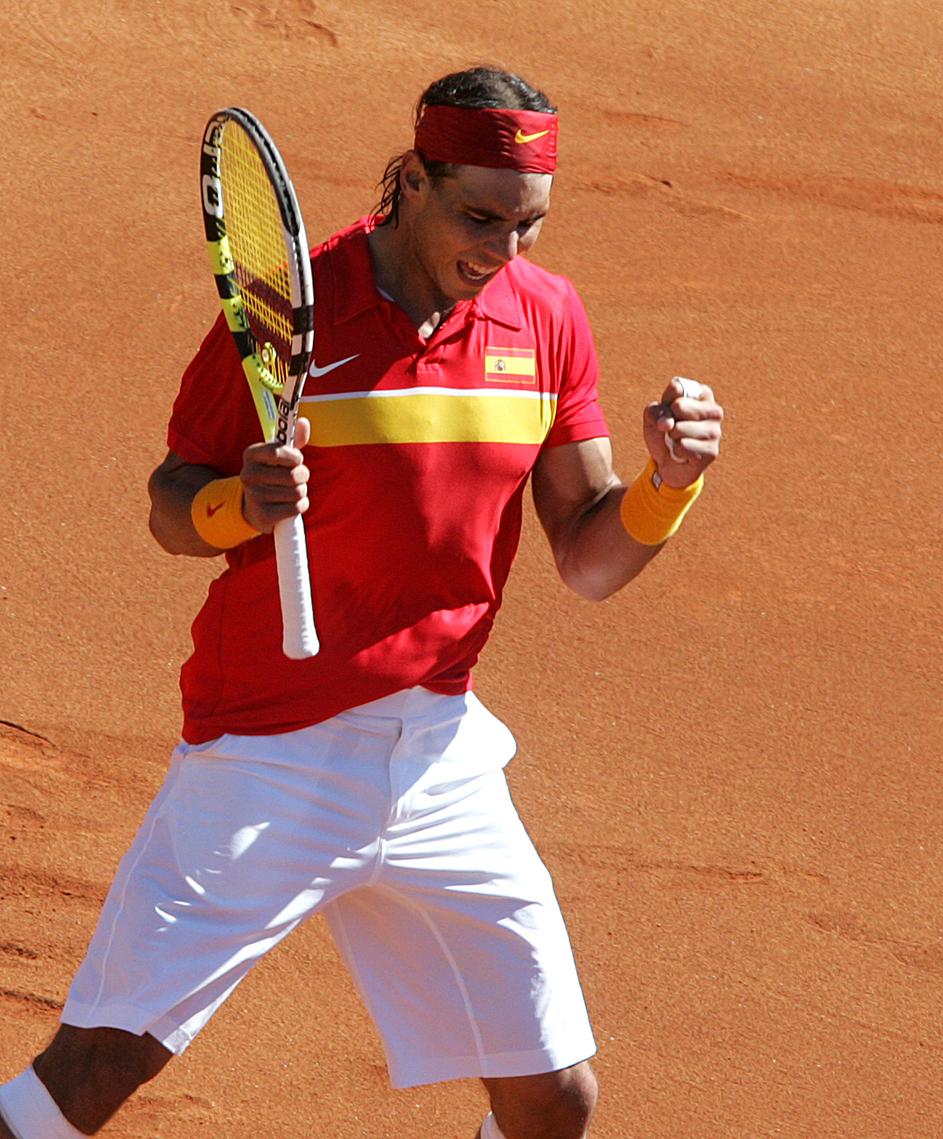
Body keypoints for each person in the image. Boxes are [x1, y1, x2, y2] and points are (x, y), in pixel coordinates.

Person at [0, 66, 722, 1139]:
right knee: (96, 1068)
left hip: (439, 754)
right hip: (269, 748)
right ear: (413, 182)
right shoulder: (294, 308)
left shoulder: (546, 316)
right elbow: (169, 500)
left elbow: (589, 556)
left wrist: (669, 483)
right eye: (480, 216)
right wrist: (237, 507)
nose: (503, 250)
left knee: (552, 1096)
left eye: (529, 225)